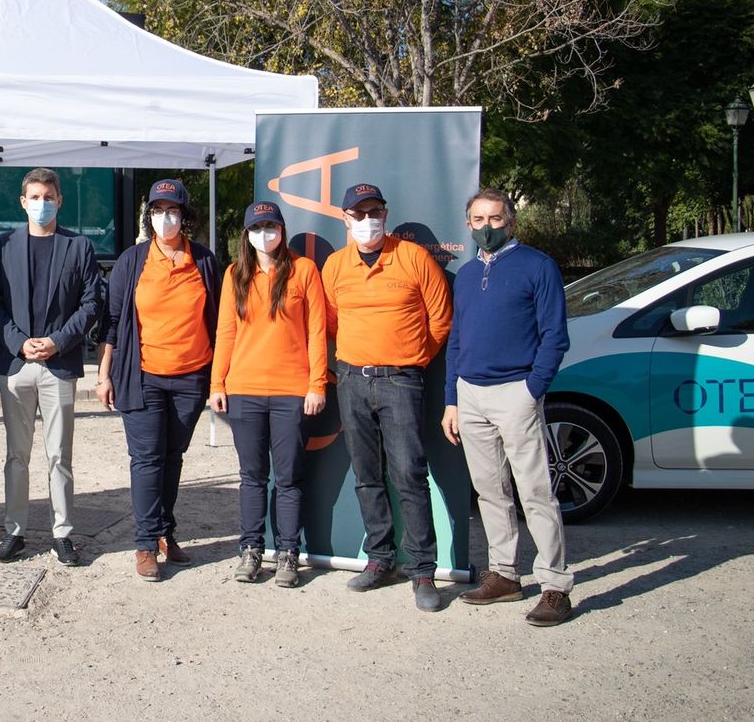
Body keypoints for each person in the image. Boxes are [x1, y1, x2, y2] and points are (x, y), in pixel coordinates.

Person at [441, 189, 574, 626]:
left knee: (535, 491)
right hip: (471, 393)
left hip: (517, 391)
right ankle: (504, 575)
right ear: (468, 225)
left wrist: (532, 389)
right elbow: (456, 339)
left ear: (511, 221)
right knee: (489, 491)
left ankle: (555, 585)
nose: (486, 227)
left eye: (495, 219)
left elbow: (555, 336)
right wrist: (452, 398)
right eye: (478, 219)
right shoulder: (464, 274)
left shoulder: (538, 266)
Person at [322, 183, 452, 611]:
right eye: (357, 214)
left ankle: (422, 571)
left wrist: (409, 358)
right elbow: (333, 321)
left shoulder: (414, 258)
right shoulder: (336, 266)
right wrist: (362, 358)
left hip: (401, 381)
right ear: (345, 219)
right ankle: (379, 559)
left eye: (373, 212)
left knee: (409, 474)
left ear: (385, 213)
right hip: (352, 381)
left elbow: (440, 321)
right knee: (366, 475)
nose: (366, 221)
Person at [97, 179, 220, 582]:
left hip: (191, 377)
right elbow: (112, 324)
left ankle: (166, 531)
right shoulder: (132, 261)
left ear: (185, 216)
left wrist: (217, 379)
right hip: (143, 376)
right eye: (157, 210)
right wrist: (103, 375)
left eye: (172, 210)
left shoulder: (204, 261)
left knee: (172, 457)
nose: (165, 218)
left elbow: (220, 322)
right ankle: (146, 543)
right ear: (149, 216)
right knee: (147, 460)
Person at [0, 168, 103, 566]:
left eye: (48, 196)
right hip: (16, 363)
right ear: (23, 201)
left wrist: (57, 341)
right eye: (34, 197)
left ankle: (62, 533)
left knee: (59, 455)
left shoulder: (79, 247)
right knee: (16, 455)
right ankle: (13, 531)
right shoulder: (2, 246)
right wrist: (19, 341)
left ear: (59, 199)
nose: (41, 203)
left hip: (60, 363)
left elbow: (91, 303)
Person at [208, 201, 328, 588]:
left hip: (292, 390)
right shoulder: (234, 275)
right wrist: (217, 384)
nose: (266, 234)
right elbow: (225, 331)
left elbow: (316, 330)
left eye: (271, 226)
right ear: (247, 234)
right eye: (257, 227)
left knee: (289, 478)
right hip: (244, 391)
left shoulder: (304, 270)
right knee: (252, 477)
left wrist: (316, 384)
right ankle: (251, 550)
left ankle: (289, 554)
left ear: (282, 229)